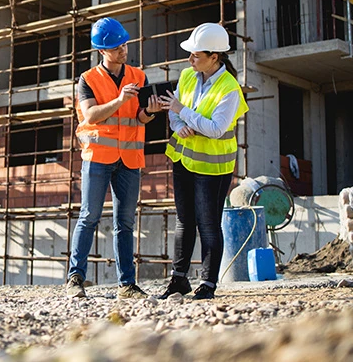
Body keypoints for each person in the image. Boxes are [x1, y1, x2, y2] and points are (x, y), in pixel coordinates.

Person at [66, 17, 163, 299]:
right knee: (89, 216)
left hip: (129, 159)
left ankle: (127, 285)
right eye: (117, 47)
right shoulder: (88, 79)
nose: (123, 50)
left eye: (125, 44)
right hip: (98, 156)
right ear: (102, 50)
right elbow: (91, 115)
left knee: (125, 223)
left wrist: (151, 111)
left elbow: (140, 117)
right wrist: (120, 99)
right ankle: (75, 279)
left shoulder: (139, 76)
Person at [158, 22, 248, 300]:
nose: (190, 59)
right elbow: (173, 110)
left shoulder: (229, 88)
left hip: (212, 167)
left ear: (214, 57)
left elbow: (216, 128)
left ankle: (208, 284)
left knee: (208, 225)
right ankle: (179, 280)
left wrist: (183, 111)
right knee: (184, 222)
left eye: (196, 55)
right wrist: (178, 124)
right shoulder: (188, 76)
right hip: (184, 160)